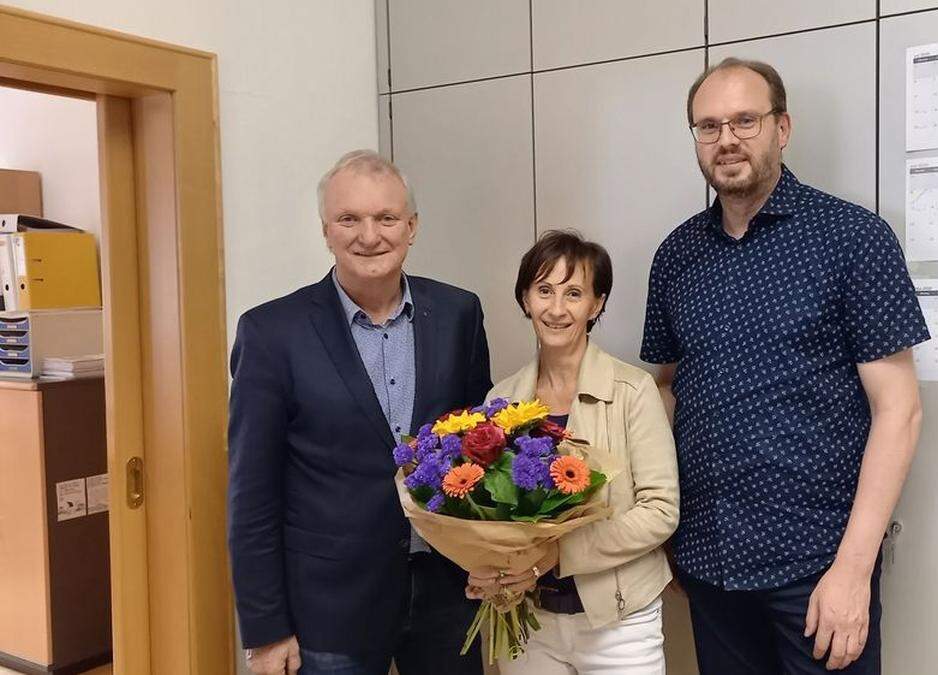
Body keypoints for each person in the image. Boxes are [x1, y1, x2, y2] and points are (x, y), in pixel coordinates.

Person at [640, 58, 929, 674]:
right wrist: (660, 528)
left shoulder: (853, 239)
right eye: (709, 126)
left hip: (818, 567)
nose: (727, 140)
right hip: (710, 561)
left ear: (783, 128)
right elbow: (667, 391)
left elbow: (899, 410)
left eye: (746, 120)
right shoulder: (676, 255)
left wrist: (854, 568)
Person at [228, 149, 491, 675]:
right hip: (328, 609)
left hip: (446, 591)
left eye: (386, 218)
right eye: (349, 219)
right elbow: (251, 494)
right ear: (326, 230)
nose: (369, 236)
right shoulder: (271, 334)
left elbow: (480, 451)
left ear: (411, 227)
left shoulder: (459, 313)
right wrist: (266, 631)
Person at [467, 230, 679, 674]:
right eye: (544, 290)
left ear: (596, 304)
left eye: (574, 293)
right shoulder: (500, 401)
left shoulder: (632, 390)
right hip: (529, 624)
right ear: (525, 299)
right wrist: (486, 570)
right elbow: (488, 517)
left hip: (620, 624)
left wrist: (558, 555)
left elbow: (660, 510)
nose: (557, 308)